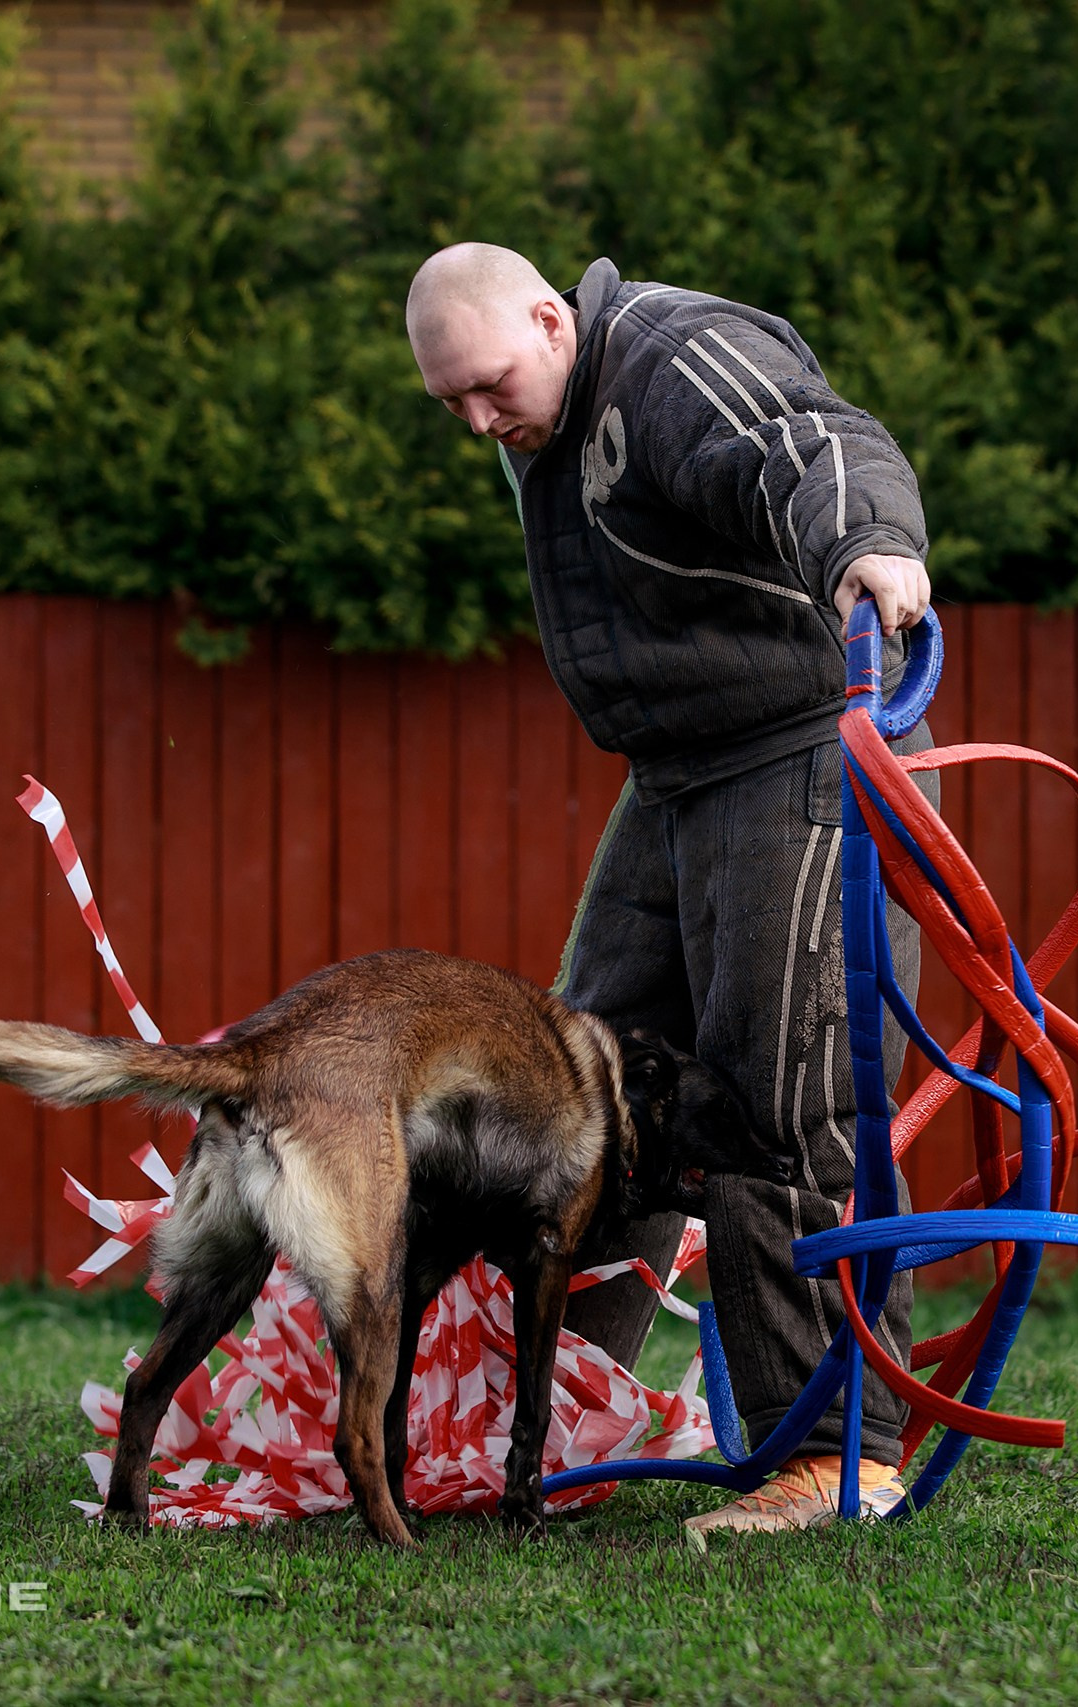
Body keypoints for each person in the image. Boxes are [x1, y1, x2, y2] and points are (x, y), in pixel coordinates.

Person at [406, 242, 938, 1537]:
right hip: (681, 776)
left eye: (488, 384)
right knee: (583, 1087)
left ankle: (836, 1454)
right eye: (452, 406)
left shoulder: (673, 356)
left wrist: (868, 543)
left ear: (550, 318)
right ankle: (552, 1426)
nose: (480, 420)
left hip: (813, 746)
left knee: (787, 1097)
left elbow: (811, 441)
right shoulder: (546, 409)